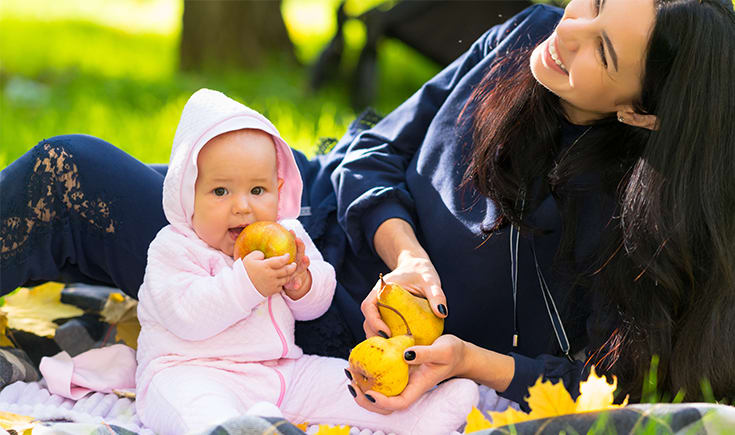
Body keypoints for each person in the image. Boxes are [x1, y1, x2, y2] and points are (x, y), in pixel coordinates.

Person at [1, 0, 734, 418]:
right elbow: (368, 150)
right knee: (64, 177)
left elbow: (610, 381)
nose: (566, 32)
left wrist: (466, 361)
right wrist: (404, 252)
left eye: (600, 49)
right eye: (594, 1)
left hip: (310, 316)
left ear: (641, 114)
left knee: (66, 179)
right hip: (292, 218)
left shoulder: (634, 233)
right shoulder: (523, 36)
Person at [133, 88, 478, 434]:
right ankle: (232, 428)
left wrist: (302, 283)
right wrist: (246, 285)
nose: (242, 206)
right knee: (196, 407)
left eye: (257, 191)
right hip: (190, 370)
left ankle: (419, 414)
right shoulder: (176, 247)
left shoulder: (286, 235)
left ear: (278, 189)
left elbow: (316, 306)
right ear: (187, 193)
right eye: (220, 191)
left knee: (341, 381)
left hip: (279, 371)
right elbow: (185, 314)